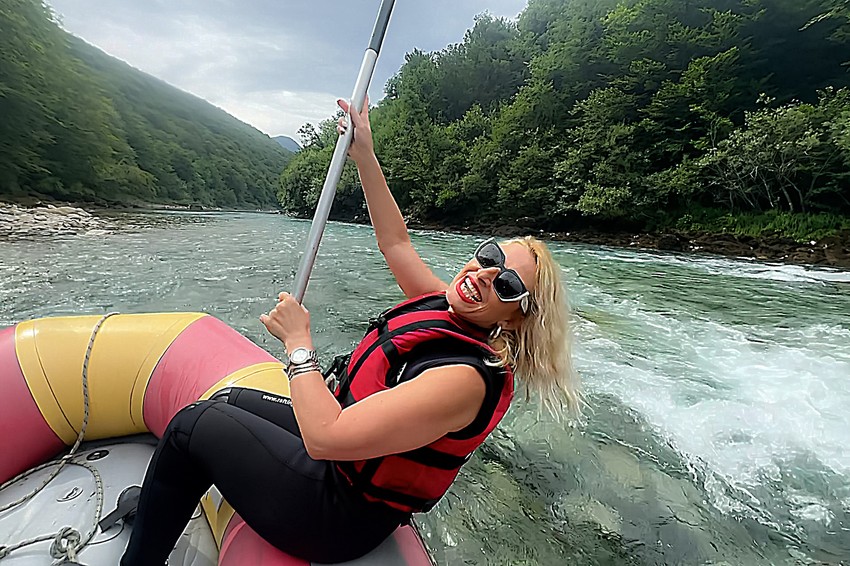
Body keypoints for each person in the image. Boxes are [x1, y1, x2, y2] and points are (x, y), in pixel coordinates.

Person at [120, 100, 579, 565]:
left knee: (192, 425)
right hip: (338, 465)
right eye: (490, 257)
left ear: (515, 318)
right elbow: (395, 242)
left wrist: (299, 344)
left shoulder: (465, 379)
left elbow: (325, 436)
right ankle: (163, 503)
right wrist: (365, 156)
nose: (484, 274)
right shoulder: (445, 304)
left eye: (506, 284)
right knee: (229, 400)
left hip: (336, 512)